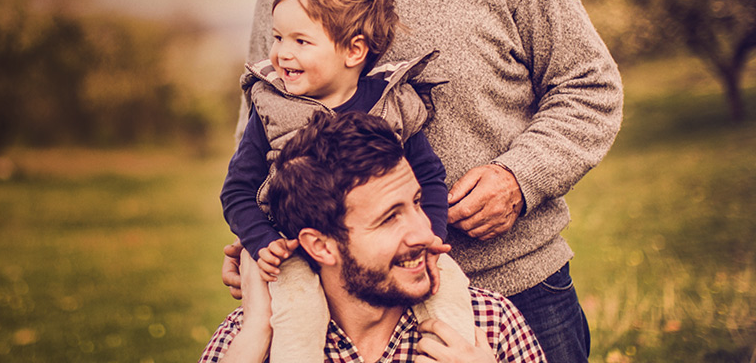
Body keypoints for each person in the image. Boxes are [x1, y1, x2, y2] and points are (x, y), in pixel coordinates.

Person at [211, 0, 623, 363]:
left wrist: (519, 177)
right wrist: (262, 237)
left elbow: (590, 86)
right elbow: (265, 137)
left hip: (515, 285)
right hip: (345, 315)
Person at [220, 0, 473, 361]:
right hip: (294, 250)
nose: (282, 53)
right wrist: (261, 241)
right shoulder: (271, 107)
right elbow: (237, 190)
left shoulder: (390, 102)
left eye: (301, 41)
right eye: (278, 37)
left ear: (354, 51)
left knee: (450, 292)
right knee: (298, 314)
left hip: (389, 255)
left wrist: (430, 236)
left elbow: (428, 176)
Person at [213, 111, 548, 363]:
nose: (424, 233)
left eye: (417, 202)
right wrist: (255, 335)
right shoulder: (249, 340)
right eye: (389, 218)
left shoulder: (488, 324)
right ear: (321, 246)